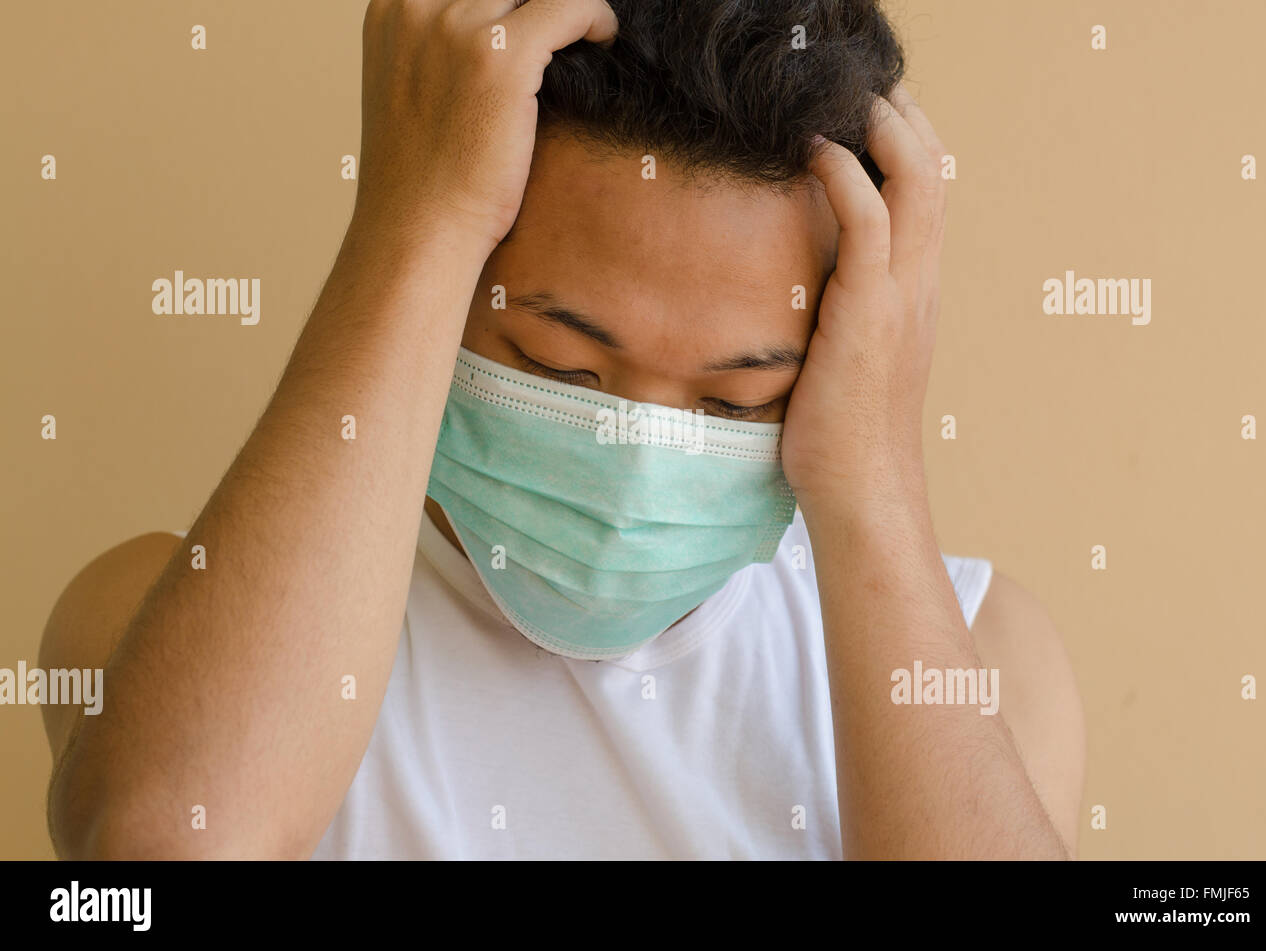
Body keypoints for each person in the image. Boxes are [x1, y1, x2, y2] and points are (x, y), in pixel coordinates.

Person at [39, 0, 1085, 860]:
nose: (637, 460)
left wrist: (879, 483)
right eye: (558, 364)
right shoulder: (154, 621)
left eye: (735, 401)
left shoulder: (983, 658)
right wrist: (411, 223)